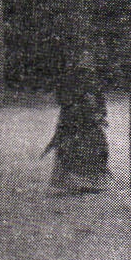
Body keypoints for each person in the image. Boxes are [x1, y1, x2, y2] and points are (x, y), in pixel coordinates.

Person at [45, 47, 111, 194]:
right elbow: (63, 98)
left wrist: (98, 113)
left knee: (95, 148)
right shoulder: (70, 77)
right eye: (83, 57)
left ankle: (91, 182)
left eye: (89, 58)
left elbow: (99, 99)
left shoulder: (93, 79)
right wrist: (78, 106)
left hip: (90, 121)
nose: (86, 61)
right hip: (73, 120)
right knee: (72, 150)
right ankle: (71, 183)